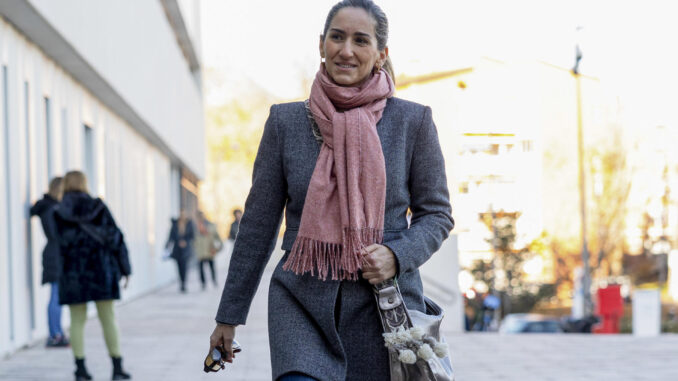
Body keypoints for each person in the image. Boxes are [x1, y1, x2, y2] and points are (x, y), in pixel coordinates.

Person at [208, 1, 454, 380]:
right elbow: (257, 225)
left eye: (360, 40)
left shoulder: (412, 121)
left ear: (380, 54)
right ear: (321, 44)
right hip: (301, 303)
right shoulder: (285, 123)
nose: (346, 50)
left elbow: (436, 214)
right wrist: (229, 316)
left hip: (383, 308)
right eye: (337, 37)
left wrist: (396, 254)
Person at [51, 170, 131, 380]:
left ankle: (81, 370)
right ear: (85, 184)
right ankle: (117, 368)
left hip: (73, 273)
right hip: (101, 270)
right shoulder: (99, 207)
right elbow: (116, 238)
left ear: (66, 185)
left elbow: (60, 244)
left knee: (77, 321)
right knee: (108, 318)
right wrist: (125, 268)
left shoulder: (58, 211)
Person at [30, 176, 69, 347]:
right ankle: (55, 335)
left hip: (54, 252)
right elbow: (57, 234)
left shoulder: (49, 207)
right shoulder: (52, 208)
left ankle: (57, 332)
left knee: (57, 295)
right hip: (55, 254)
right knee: (55, 295)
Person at [165, 210, 195, 293]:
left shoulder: (189, 223)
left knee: (184, 267)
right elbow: (171, 236)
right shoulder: (175, 224)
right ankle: (181, 282)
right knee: (179, 267)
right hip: (177, 249)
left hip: (186, 249)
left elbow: (192, 235)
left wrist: (185, 241)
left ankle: (184, 283)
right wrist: (167, 245)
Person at [194, 210, 223, 290]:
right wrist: (194, 247)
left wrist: (219, 247)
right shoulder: (195, 227)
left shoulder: (211, 225)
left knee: (212, 267)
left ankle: (214, 280)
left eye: (201, 216)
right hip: (200, 251)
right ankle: (203, 283)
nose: (200, 218)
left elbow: (218, 237)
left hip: (210, 250)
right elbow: (193, 239)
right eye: (199, 216)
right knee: (201, 269)